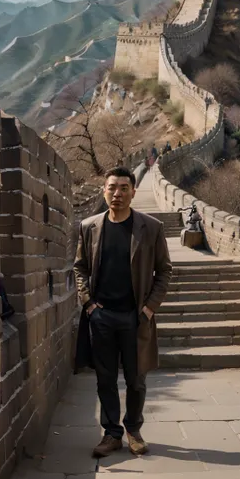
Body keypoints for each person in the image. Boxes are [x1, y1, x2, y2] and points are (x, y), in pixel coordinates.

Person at [74, 166, 172, 458]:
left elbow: (164, 270)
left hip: (135, 317)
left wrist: (149, 308)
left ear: (133, 191)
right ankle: (111, 433)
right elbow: (79, 267)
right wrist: (88, 303)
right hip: (102, 316)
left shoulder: (150, 227)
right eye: (112, 187)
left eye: (124, 188)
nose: (117, 194)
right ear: (104, 190)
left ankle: (133, 429)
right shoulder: (90, 226)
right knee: (105, 378)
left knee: (136, 378)